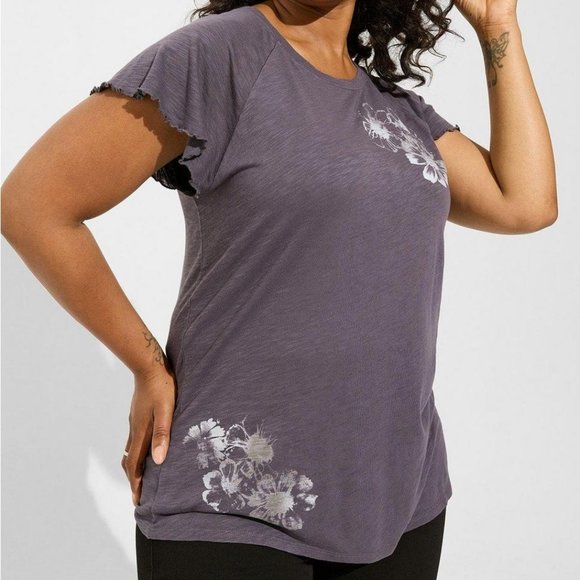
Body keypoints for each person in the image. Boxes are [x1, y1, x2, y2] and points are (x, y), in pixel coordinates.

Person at [1, 0, 557, 578]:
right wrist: (146, 366)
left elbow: (525, 202)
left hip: (396, 501)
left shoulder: (390, 106)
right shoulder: (217, 56)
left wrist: (497, 24)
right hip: (233, 509)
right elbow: (34, 205)